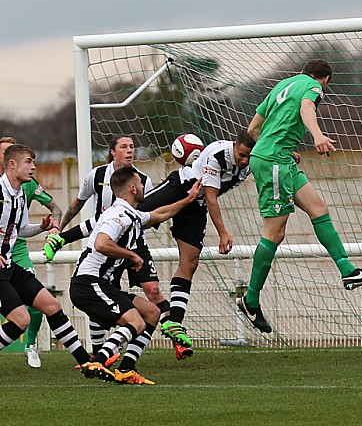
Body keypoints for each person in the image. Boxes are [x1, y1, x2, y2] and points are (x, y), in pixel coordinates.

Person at [239, 58, 362, 333]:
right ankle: (251, 299)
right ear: (325, 79)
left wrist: (279, 145)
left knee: (319, 208)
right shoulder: (314, 88)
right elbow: (307, 108)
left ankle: (348, 271)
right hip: (274, 163)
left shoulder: (282, 84)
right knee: (274, 233)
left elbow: (253, 129)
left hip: (279, 159)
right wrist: (317, 135)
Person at [43, 135, 177, 359]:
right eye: (124, 146)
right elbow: (79, 206)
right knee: (109, 303)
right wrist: (60, 229)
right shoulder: (97, 176)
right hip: (106, 244)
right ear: (113, 151)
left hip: (132, 240)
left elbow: (153, 214)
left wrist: (177, 193)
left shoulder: (142, 180)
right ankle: (101, 354)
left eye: (132, 147)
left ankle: (169, 332)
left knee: (152, 292)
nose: (130, 151)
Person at [70, 166, 202, 384]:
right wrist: (131, 255)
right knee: (135, 322)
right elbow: (102, 243)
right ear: (132, 188)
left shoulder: (131, 214)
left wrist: (188, 200)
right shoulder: (119, 216)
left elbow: (161, 213)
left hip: (102, 285)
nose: (144, 187)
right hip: (89, 283)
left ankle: (126, 369)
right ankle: (99, 360)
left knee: (151, 312)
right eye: (141, 184)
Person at [0, 144, 112, 381]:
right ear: (12, 165)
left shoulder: (20, 194)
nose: (34, 167)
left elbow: (19, 230)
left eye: (34, 162)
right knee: (22, 320)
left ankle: (87, 364)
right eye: (29, 162)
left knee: (51, 306)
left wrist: (40, 227)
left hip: (9, 266)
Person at [138, 131, 255, 348]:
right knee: (132, 216)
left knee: (190, 262)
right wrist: (223, 233)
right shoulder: (217, 154)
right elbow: (211, 197)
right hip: (181, 188)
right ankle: (86, 233)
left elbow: (269, 154)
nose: (245, 161)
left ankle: (174, 323)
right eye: (241, 155)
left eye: (249, 156)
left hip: (196, 204)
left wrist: (287, 155)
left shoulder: (252, 158)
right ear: (234, 145)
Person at [0, 137, 62, 369]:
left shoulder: (28, 183)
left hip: (17, 250)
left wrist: (54, 227)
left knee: (37, 301)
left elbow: (55, 208)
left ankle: (31, 344)